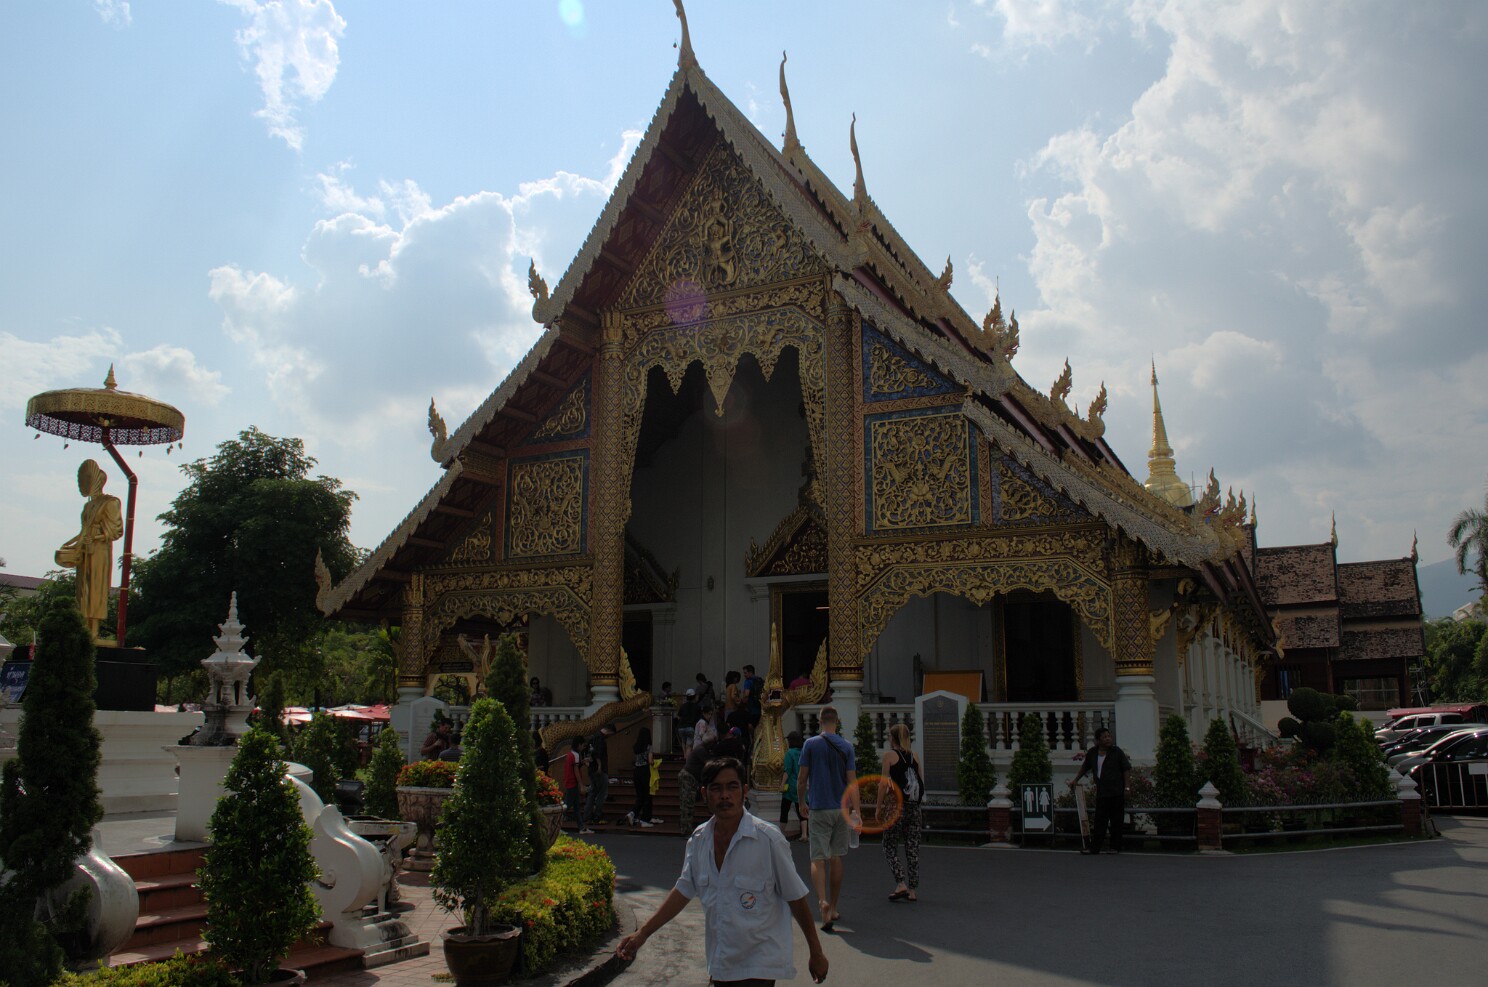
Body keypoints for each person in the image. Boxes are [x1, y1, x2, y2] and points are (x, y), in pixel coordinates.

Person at [617, 757, 829, 986]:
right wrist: (642, 934)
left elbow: (795, 897)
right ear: (704, 793)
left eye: (732, 787)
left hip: (760, 964)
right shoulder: (699, 840)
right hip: (721, 963)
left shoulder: (768, 840)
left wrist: (816, 951)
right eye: (716, 788)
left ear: (745, 791)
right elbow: (683, 890)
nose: (725, 795)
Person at [795, 706, 858, 932]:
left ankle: (822, 900)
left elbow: (802, 778)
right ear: (836, 721)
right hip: (841, 808)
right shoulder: (847, 746)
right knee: (836, 857)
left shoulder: (810, 744)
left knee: (818, 858)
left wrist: (801, 802)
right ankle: (834, 906)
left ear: (820, 721)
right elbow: (852, 782)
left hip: (819, 806)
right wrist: (857, 811)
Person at [54, 459, 124, 640]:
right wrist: (70, 544)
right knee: (83, 589)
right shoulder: (88, 505)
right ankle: (83, 628)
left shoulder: (110, 502)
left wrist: (96, 537)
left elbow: (116, 530)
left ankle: (94, 630)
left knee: (96, 588)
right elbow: (83, 531)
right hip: (85, 549)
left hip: (100, 550)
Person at [1068, 727, 1132, 854]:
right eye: (1104, 737)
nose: (1108, 739)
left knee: (1116, 820)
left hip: (1116, 792)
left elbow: (1126, 769)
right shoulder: (1093, 753)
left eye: (1109, 736)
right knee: (1100, 821)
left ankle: (1115, 847)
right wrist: (1075, 780)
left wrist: (1127, 787)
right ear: (1098, 740)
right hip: (1102, 792)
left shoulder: (1117, 752)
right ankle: (1094, 847)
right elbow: (1085, 767)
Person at [879, 723, 924, 901]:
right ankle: (912, 889)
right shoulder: (915, 756)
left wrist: (879, 806)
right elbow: (921, 780)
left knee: (888, 845)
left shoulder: (889, 756)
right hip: (914, 808)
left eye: (890, 736)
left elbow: (883, 784)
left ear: (894, 738)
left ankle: (900, 882)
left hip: (896, 807)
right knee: (912, 848)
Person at [677, 738, 713, 835]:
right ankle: (686, 828)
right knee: (687, 803)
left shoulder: (701, 749)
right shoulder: (701, 750)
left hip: (691, 777)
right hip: (688, 777)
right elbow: (709, 763)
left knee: (688, 803)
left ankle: (686, 826)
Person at [584, 723, 616, 827]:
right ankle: (597, 814)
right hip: (599, 770)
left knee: (592, 792)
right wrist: (599, 766)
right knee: (602, 792)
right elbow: (598, 754)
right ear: (609, 731)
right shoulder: (600, 739)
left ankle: (587, 815)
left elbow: (587, 751)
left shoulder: (593, 737)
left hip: (591, 769)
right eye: (611, 734)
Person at [627, 726, 658, 827]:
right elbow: (650, 761)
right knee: (648, 796)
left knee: (640, 796)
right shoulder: (648, 746)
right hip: (645, 771)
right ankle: (645, 819)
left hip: (636, 771)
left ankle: (633, 813)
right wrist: (655, 763)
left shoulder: (637, 747)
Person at [780, 730, 806, 842]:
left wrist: (782, 784)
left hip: (790, 786)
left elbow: (787, 770)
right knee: (801, 809)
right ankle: (804, 834)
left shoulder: (789, 753)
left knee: (784, 809)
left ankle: (781, 833)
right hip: (801, 784)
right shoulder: (803, 752)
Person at [562, 738, 592, 835]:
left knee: (576, 807)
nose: (583, 747)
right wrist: (581, 784)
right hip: (573, 783)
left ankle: (582, 827)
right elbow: (576, 770)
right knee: (567, 806)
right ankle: (556, 826)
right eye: (583, 745)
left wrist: (581, 763)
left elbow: (574, 767)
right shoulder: (576, 755)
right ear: (579, 745)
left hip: (570, 781)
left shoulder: (570, 754)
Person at [677, 688, 700, 754]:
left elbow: (679, 716)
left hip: (681, 727)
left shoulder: (683, 706)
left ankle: (685, 755)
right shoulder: (697, 707)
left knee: (683, 742)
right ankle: (687, 758)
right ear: (694, 697)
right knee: (689, 746)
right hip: (691, 727)